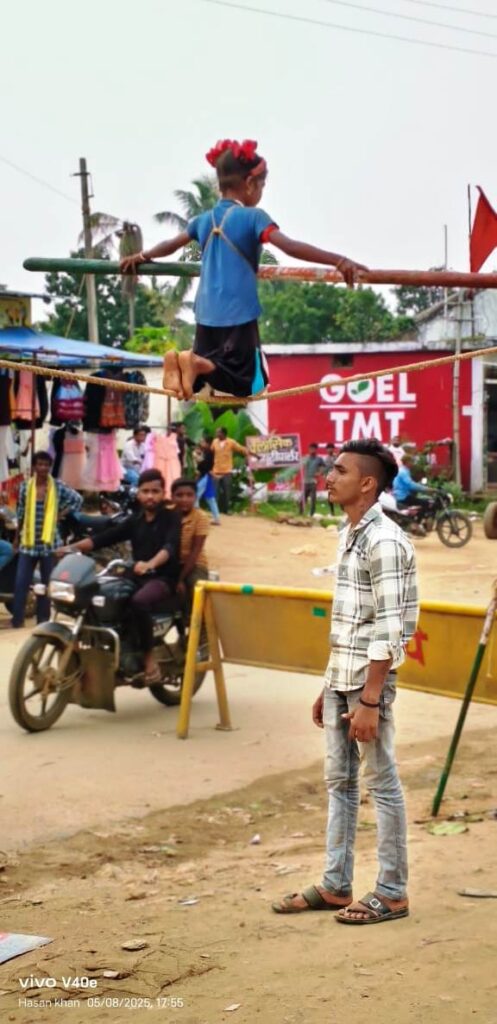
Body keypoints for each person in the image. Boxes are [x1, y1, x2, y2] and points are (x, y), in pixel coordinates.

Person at [273, 438, 418, 924]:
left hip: (367, 685)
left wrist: (370, 699)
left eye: (339, 470)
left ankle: (392, 892)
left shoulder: (385, 541)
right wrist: (329, 684)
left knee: (382, 782)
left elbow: (390, 628)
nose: (329, 477)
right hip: (343, 677)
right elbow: (353, 621)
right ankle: (336, 884)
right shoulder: (350, 532)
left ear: (368, 483)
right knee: (340, 782)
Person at [120, 138, 367, 401]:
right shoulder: (253, 217)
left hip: (205, 311)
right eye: (262, 185)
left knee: (204, 375)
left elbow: (170, 245)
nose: (261, 192)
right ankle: (192, 363)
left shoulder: (203, 220)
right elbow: (290, 246)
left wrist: (141, 256)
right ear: (250, 183)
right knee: (245, 379)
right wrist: (339, 261)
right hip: (237, 312)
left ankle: (180, 365)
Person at [58, 469, 181, 683]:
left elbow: (169, 547)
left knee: (139, 602)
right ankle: (118, 646)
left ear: (163, 493)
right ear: (138, 494)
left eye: (155, 491)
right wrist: (70, 548)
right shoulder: (136, 519)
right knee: (104, 594)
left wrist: (151, 564)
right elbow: (105, 538)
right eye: (145, 491)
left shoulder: (171, 518)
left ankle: (149, 657)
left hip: (162, 577)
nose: (150, 496)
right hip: (137, 575)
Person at [12, 450, 83, 628]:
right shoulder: (25, 487)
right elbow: (20, 513)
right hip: (28, 542)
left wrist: (60, 514)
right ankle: (17, 620)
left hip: (49, 543)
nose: (43, 468)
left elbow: (77, 500)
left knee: (46, 583)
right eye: (40, 464)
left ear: (50, 467)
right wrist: (16, 538)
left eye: (46, 465)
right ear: (34, 467)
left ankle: (43, 621)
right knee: (20, 582)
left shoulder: (57, 486)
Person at [171, 477, 210, 611]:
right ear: (172, 496)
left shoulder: (201, 517)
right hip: (170, 562)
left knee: (197, 588)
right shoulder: (167, 514)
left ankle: (199, 621)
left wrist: (180, 579)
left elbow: (195, 552)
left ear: (195, 497)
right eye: (179, 495)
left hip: (194, 563)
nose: (184, 499)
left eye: (189, 495)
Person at [211, 427, 248, 515]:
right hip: (216, 470)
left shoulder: (231, 442)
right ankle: (215, 510)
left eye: (218, 432)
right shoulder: (214, 442)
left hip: (227, 471)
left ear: (223, 434)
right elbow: (211, 452)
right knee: (215, 492)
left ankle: (226, 510)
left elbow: (241, 449)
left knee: (227, 491)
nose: (216, 434)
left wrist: (248, 454)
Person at [195, 435, 221, 524]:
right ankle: (216, 518)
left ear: (207, 443)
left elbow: (206, 466)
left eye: (203, 441)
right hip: (207, 476)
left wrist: (198, 460)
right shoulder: (206, 452)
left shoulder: (209, 453)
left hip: (205, 476)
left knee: (196, 495)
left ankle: (196, 517)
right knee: (210, 498)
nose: (201, 443)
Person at [300, 443, 326, 516]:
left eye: (313, 449)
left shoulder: (319, 459)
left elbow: (323, 467)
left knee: (313, 499)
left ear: (316, 450)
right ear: (309, 449)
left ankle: (312, 514)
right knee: (303, 498)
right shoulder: (305, 458)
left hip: (313, 481)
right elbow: (299, 465)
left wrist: (319, 473)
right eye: (311, 449)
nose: (312, 450)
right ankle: (300, 513)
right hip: (305, 481)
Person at [323, 442, 336, 515]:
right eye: (328, 449)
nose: (329, 450)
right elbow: (326, 471)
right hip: (330, 480)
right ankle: (332, 512)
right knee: (330, 496)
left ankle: (345, 511)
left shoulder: (337, 457)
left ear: (333, 449)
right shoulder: (326, 459)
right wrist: (326, 482)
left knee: (342, 496)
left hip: (337, 479)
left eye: (331, 448)